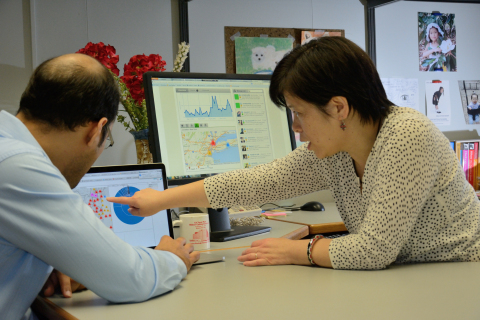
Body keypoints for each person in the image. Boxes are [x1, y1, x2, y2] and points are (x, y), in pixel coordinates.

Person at [109, 37, 480, 271]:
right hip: (413, 275)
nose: (295, 127)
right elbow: (259, 182)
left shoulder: (406, 135)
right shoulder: (336, 149)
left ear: (338, 108)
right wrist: (161, 200)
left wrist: (299, 251)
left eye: (299, 113)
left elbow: (373, 251)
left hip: (460, 273)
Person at [0, 53, 199, 320]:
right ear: (97, 130)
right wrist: (173, 258)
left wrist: (51, 264)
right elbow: (129, 277)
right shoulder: (21, 168)